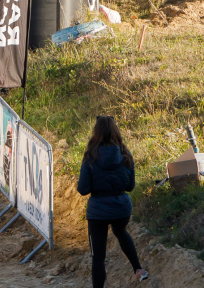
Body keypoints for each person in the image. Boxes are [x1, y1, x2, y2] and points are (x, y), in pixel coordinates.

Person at [76, 115, 149, 287]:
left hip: (98, 211)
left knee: (98, 257)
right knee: (121, 231)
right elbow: (130, 187)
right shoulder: (125, 155)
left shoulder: (90, 157)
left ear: (96, 132)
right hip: (121, 208)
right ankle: (138, 269)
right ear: (116, 131)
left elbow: (83, 189)